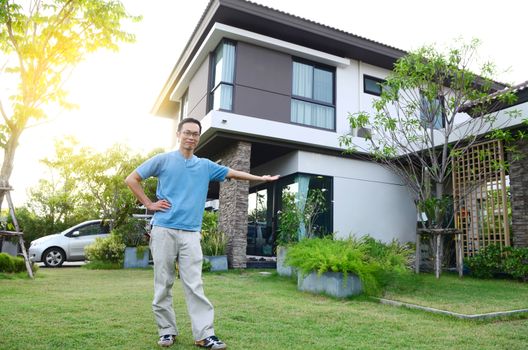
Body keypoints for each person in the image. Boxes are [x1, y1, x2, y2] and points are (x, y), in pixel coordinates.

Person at [125, 117, 279, 349]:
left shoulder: (205, 165)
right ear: (178, 135)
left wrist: (261, 178)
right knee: (163, 283)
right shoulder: (163, 160)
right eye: (187, 132)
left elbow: (234, 173)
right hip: (164, 229)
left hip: (190, 234)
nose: (191, 137)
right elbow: (132, 178)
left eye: (195, 133)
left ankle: (204, 334)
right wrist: (149, 203)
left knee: (194, 284)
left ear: (198, 137)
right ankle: (167, 331)